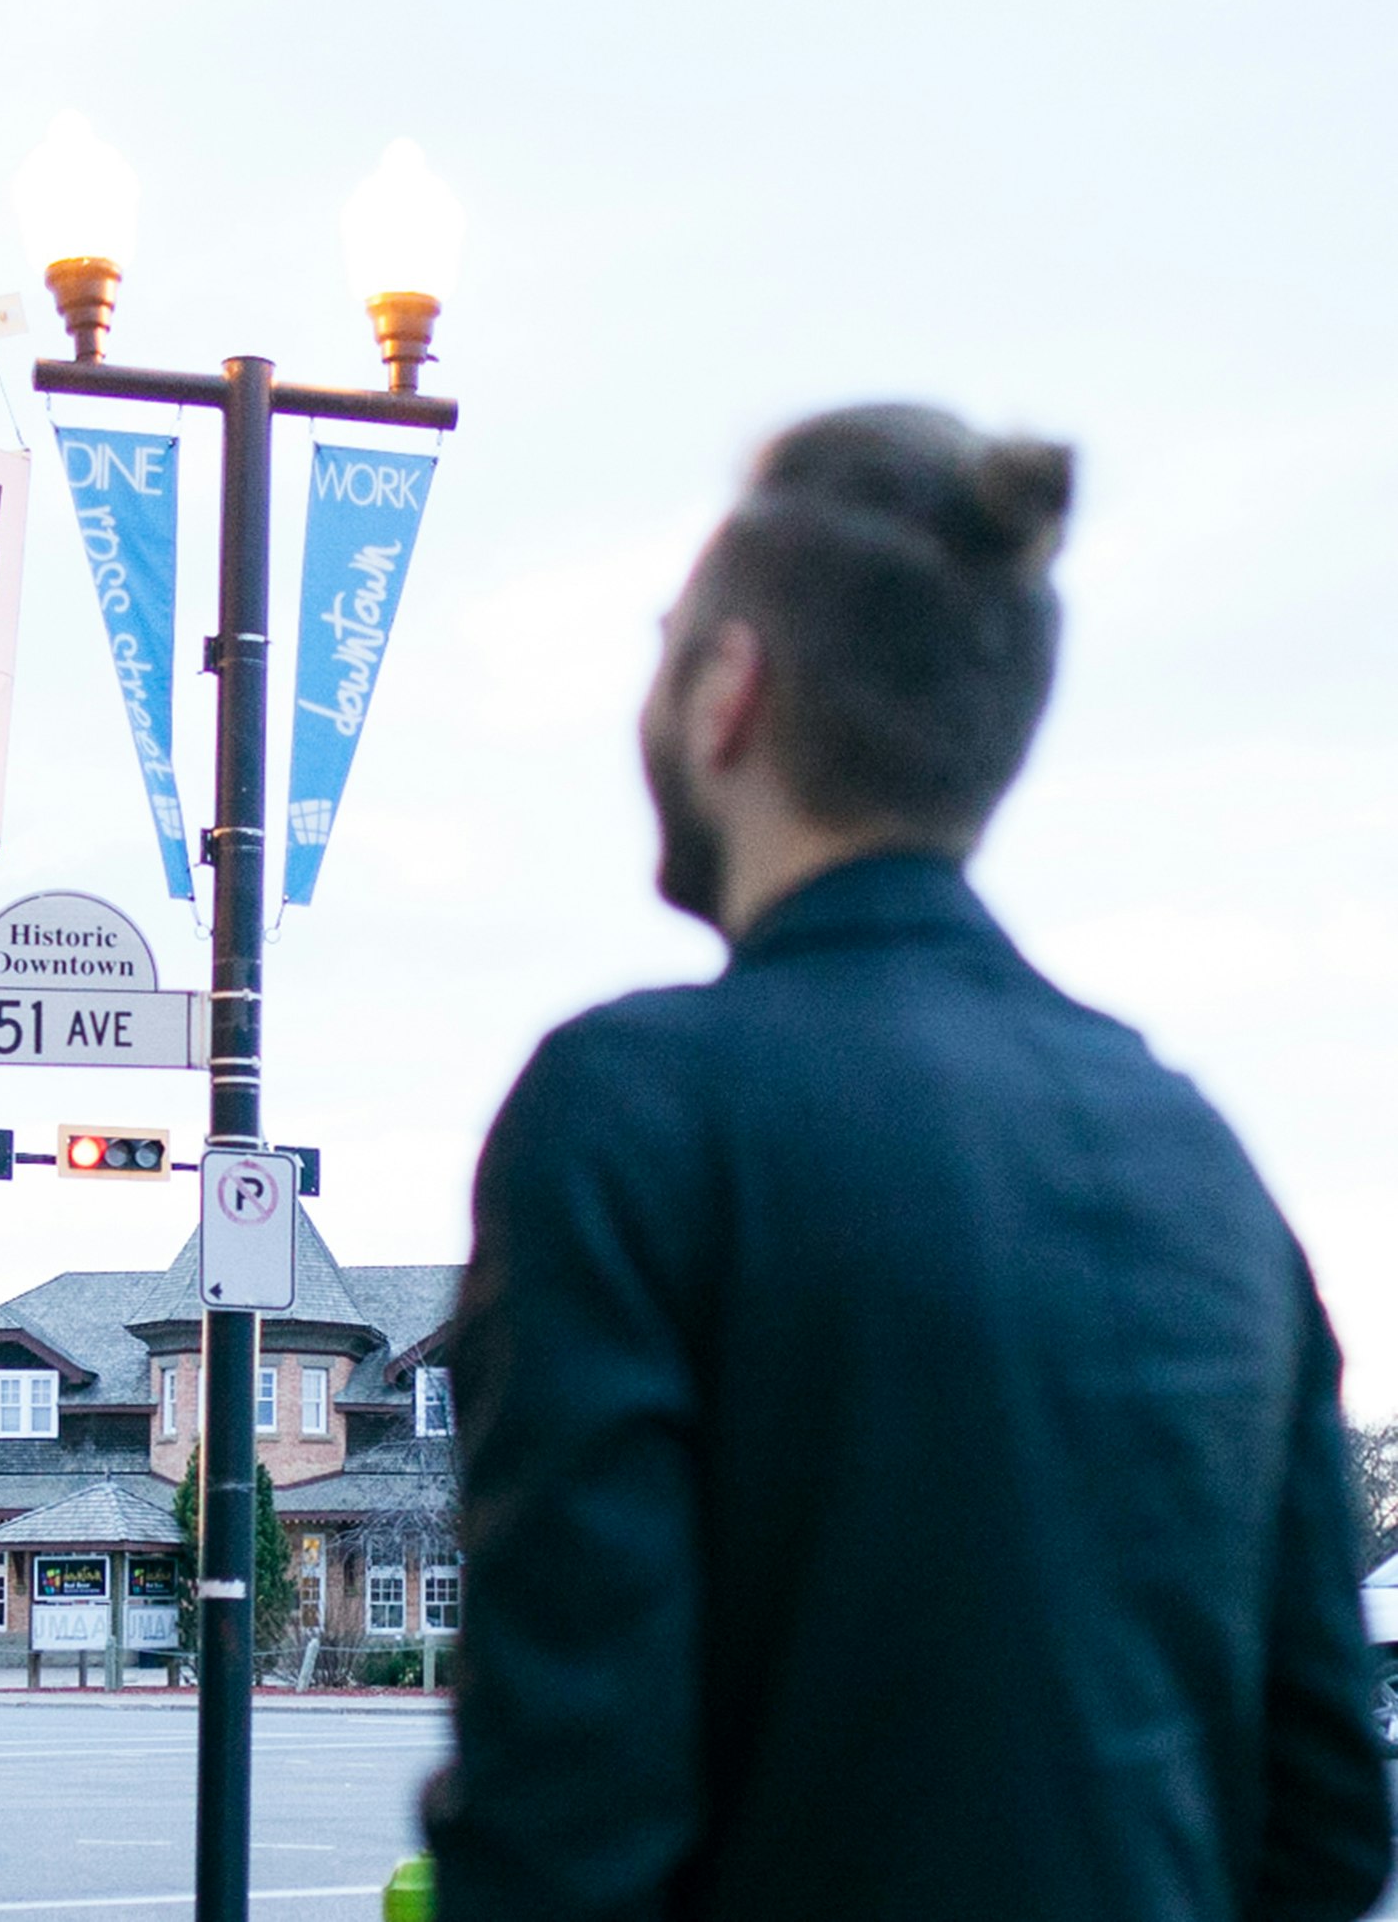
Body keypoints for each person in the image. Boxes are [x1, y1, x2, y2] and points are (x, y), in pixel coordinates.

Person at [423, 406, 1392, 1920]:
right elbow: (1328, 1818)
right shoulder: (1203, 1159)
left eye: (667, 641)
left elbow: (567, 1820)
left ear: (728, 691)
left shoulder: (629, 1113)